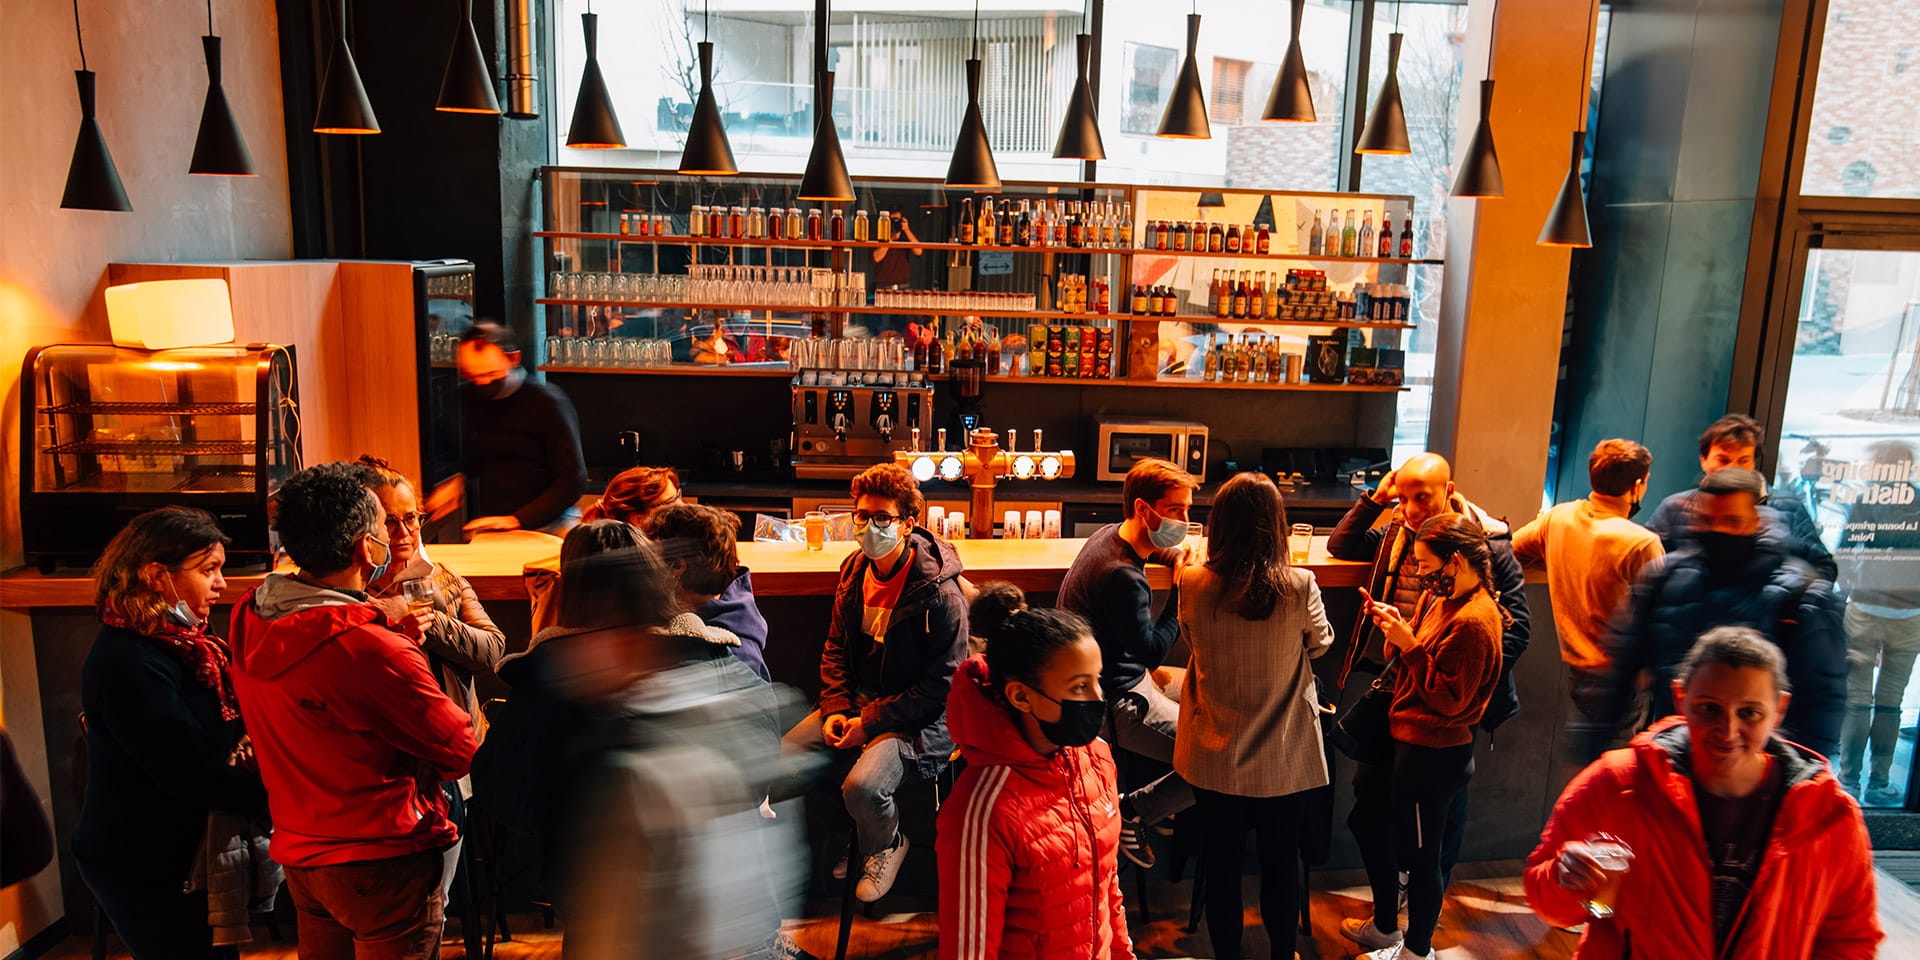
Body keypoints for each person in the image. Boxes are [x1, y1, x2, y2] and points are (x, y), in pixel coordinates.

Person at [229, 462, 478, 960]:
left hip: (301, 850)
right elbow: (458, 749)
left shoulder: (248, 614)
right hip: (383, 856)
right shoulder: (371, 650)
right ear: (369, 546)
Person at [1526, 627, 1882, 959]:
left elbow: (1849, 939)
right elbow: (1589, 913)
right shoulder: (1618, 783)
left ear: (1779, 710)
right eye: (1709, 709)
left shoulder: (1828, 815)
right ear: (1682, 698)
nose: (1727, 730)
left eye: (1749, 713)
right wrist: (1567, 882)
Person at [538, 537, 799, 960]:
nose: (576, 652)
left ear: (630, 634)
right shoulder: (720, 683)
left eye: (590, 632)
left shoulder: (642, 751)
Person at [1328, 452, 1529, 898]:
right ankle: (1398, 898)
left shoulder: (1487, 544)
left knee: (1438, 815)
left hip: (1449, 708)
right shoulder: (1399, 531)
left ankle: (1420, 907)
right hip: (1400, 690)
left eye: (1423, 497)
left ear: (1449, 492)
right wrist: (1376, 498)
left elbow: (1516, 628)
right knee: (1374, 802)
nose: (1414, 508)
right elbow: (1340, 546)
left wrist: (1464, 682)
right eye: (1405, 498)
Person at [74, 507, 268, 959]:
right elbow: (191, 776)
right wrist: (284, 792)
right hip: (143, 860)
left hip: (182, 848)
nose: (221, 583)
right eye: (208, 570)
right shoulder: (128, 660)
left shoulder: (187, 640)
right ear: (156, 575)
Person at [779, 462, 968, 903]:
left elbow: (941, 686)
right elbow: (834, 647)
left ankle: (885, 842)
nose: (868, 526)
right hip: (860, 703)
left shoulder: (940, 594)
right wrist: (836, 710)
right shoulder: (854, 569)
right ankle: (858, 833)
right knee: (781, 765)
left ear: (908, 524)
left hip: (918, 718)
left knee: (864, 788)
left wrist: (868, 722)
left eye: (882, 518)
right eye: (862, 515)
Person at [1175, 472, 1333, 960]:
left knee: (1222, 866)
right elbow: (1321, 642)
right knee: (1280, 865)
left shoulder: (1194, 582)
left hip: (1214, 755)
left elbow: (1188, 639)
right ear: (1276, 524)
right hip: (1282, 759)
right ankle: (1282, 952)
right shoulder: (1298, 583)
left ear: (1218, 524)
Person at [1585, 468, 1846, 761]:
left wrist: (1793, 784)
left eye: (1732, 521)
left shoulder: (1802, 596)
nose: (1719, 532)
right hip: (1678, 763)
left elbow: (1822, 704)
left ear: (1755, 521)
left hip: (1757, 774)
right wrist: (1594, 751)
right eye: (1708, 521)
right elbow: (1621, 671)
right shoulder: (1664, 581)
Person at [1341, 514, 1507, 960]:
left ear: (1455, 561)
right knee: (1368, 821)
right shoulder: (1442, 600)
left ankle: (1417, 952)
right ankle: (1384, 928)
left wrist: (1410, 646)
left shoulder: (1475, 619)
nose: (1420, 573)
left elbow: (1450, 700)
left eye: (1425, 564)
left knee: (1421, 858)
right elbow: (1412, 656)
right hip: (1407, 740)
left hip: (1435, 752)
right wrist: (1396, 629)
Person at [938, 603, 1133, 960]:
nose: (1098, 699)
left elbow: (1106, 886)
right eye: (1079, 687)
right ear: (1021, 696)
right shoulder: (982, 809)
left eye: (1097, 681)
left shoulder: (1098, 758)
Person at [1056, 457, 1198, 868]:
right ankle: (1135, 812)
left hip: (1104, 681)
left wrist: (1173, 557)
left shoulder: (1108, 536)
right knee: (1216, 757)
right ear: (1143, 508)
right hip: (1116, 703)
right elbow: (1153, 650)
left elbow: (1151, 552)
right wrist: (1181, 591)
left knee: (1209, 701)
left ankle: (1168, 810)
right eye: (1175, 510)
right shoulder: (1123, 576)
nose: (1185, 519)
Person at [1512, 440, 1664, 747]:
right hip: (1625, 682)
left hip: (1578, 675)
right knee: (1619, 774)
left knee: (1593, 772)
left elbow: (1511, 548)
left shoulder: (1559, 518)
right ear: (1637, 486)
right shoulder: (1641, 543)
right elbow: (1665, 615)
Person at [357, 455, 507, 740]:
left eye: (411, 518)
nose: (403, 532)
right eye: (389, 522)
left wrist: (430, 621)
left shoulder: (444, 578)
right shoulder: (357, 596)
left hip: (462, 741)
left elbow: (493, 649)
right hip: (396, 746)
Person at [426, 320, 587, 536]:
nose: (482, 384)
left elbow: (573, 480)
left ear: (513, 359)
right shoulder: (464, 397)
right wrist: (457, 481)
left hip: (553, 520)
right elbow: (472, 456)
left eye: (490, 375)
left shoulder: (547, 402)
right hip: (494, 520)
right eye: (473, 376)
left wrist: (517, 520)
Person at [1643, 414, 1836, 580]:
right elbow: (1646, 562)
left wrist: (1791, 599)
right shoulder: (1675, 506)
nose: (1733, 468)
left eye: (1743, 460)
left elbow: (1824, 566)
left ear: (1753, 463)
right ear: (1704, 460)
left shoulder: (1788, 507)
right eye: (1723, 460)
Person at [1836, 440, 1920, 804]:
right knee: (1890, 703)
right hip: (1910, 615)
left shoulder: (1866, 501)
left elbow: (1845, 549)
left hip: (1866, 609)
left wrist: (1847, 590)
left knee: (1856, 700)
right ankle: (1880, 782)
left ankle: (1849, 780)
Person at [643, 502, 771, 680]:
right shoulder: (684, 609)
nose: (644, 562)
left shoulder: (734, 654)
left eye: (652, 553)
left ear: (678, 566)